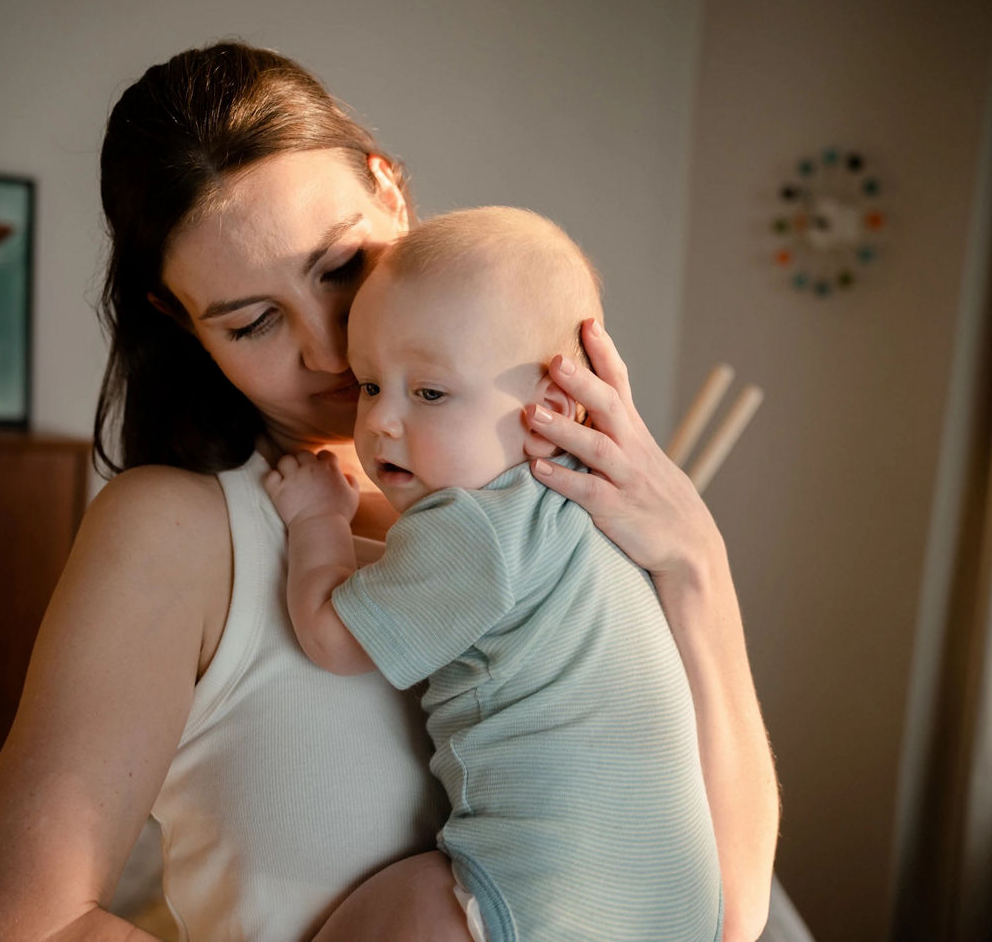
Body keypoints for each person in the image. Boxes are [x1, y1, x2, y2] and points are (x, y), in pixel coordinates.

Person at [0, 41, 778, 942]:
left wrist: (696, 561)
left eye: (341, 268)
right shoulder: (178, 529)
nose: (331, 351)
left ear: (391, 191)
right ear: (178, 322)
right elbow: (13, 928)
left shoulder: (553, 518)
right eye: (254, 321)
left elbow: (731, 910)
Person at [264, 206, 724, 942]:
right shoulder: (590, 505)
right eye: (369, 385)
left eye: (431, 393)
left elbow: (331, 635)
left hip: (537, 896)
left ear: (548, 409)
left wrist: (315, 520)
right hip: (676, 911)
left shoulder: (477, 526)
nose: (382, 421)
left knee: (384, 908)